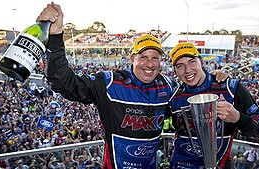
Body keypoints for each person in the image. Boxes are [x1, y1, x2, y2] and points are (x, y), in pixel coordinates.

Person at [36, 3, 180, 168]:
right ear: (132, 59)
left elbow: (190, 104)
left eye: (155, 58)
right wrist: (54, 36)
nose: (150, 64)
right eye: (144, 57)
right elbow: (63, 82)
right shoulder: (110, 83)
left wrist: (214, 80)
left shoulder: (167, 86)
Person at [168, 42, 259, 169]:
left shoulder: (231, 88)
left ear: (201, 62)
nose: (187, 69)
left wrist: (238, 118)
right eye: (180, 65)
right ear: (175, 71)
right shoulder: (173, 95)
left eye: (192, 61)